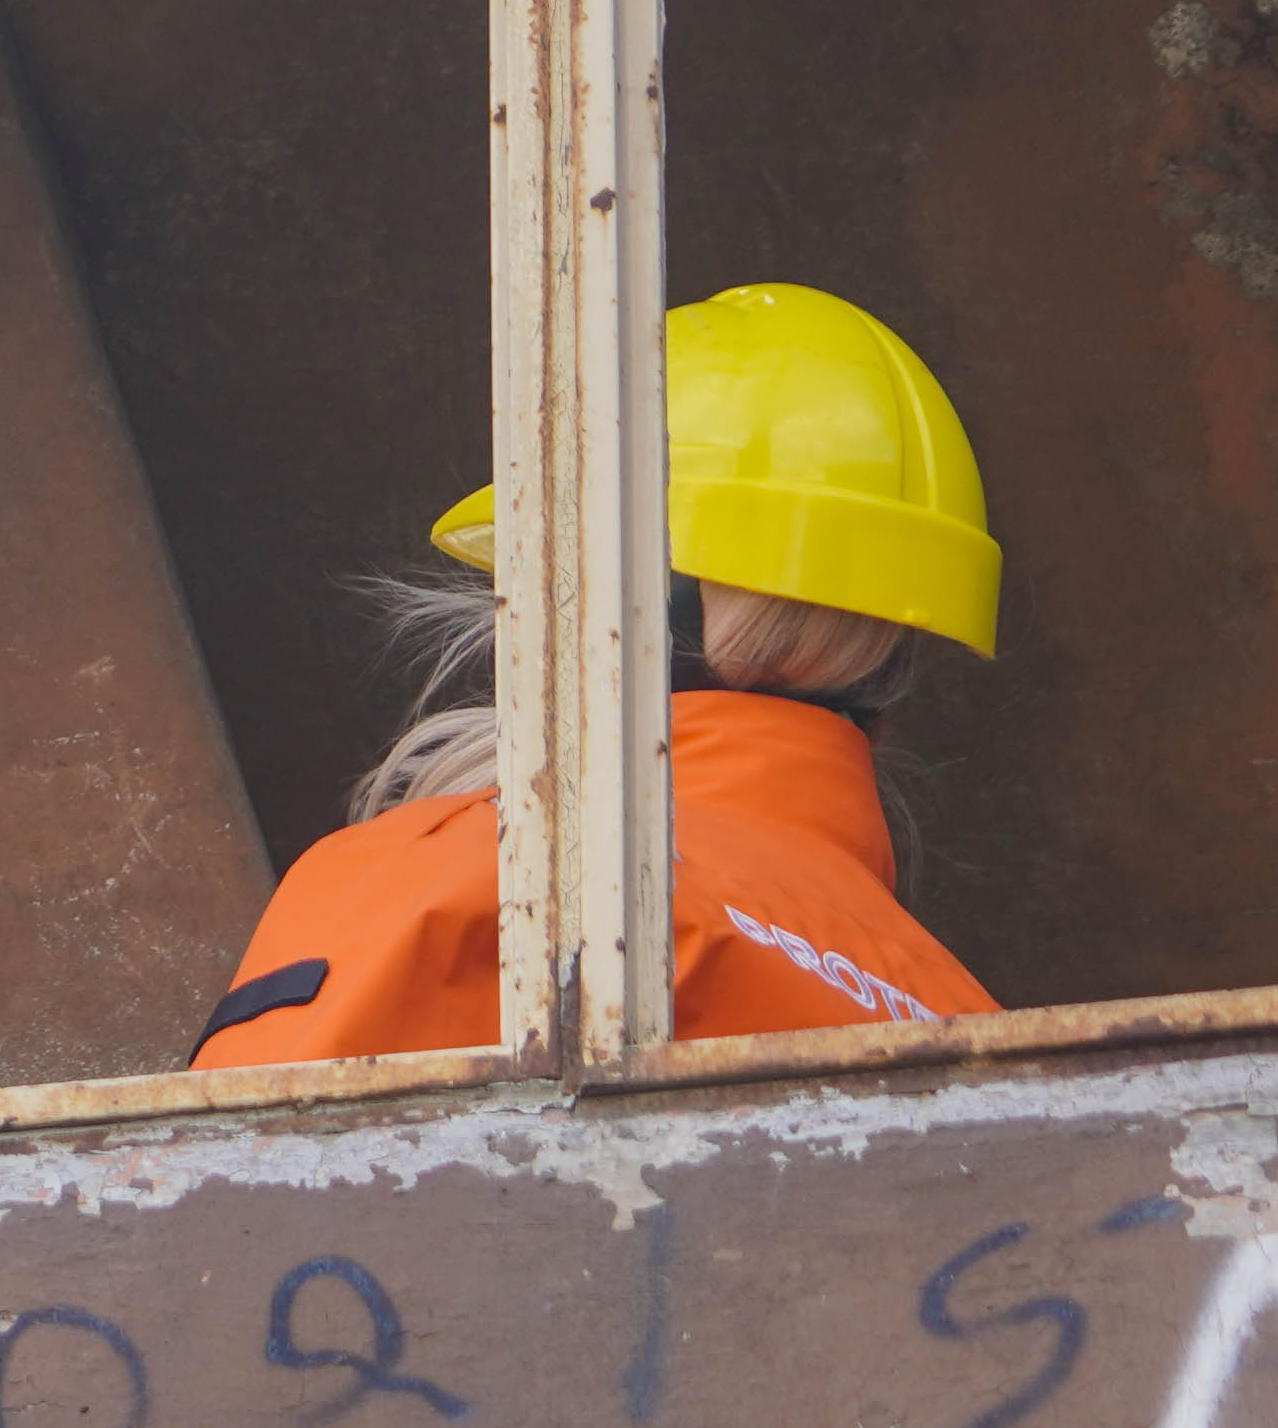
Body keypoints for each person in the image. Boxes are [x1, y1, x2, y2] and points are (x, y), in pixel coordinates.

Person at [195, 283, 1003, 1062]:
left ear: (594, 607)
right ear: (897, 656)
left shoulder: (488, 879)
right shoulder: (970, 1024)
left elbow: (233, 1189)